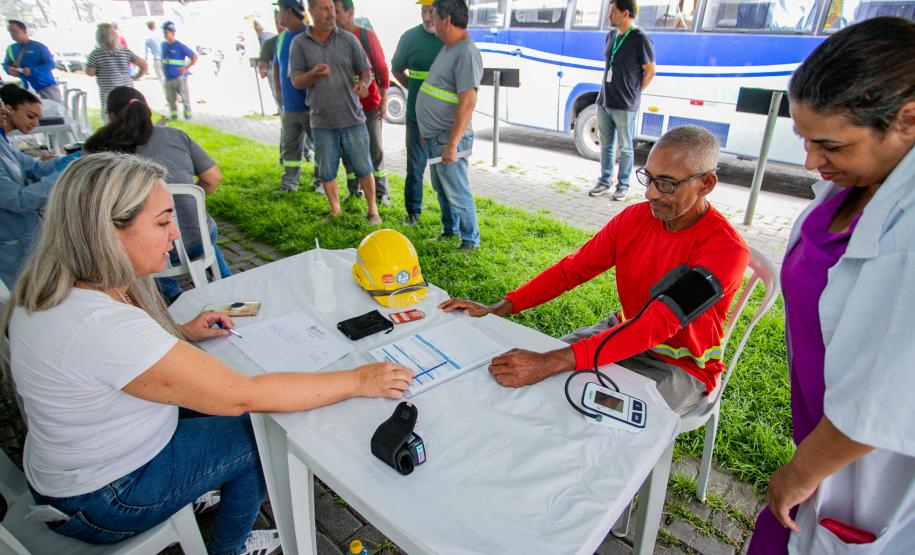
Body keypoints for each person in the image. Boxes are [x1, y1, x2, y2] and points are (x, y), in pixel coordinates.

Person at [0, 153, 411, 554]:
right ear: (108, 232)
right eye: (162, 222)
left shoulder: (50, 289)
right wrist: (360, 379)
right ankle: (231, 547)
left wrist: (179, 333)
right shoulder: (101, 325)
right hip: (107, 498)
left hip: (73, 473)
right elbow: (241, 395)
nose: (176, 233)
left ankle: (199, 486)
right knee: (266, 433)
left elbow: (108, 365)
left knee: (238, 411)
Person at [747, 17, 915, 553]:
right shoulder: (863, 185)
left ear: (907, 120)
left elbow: (889, 394)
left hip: (862, 474)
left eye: (830, 146)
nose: (812, 163)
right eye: (804, 140)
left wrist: (800, 472)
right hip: (820, 440)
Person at [441, 126, 749, 415]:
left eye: (666, 183)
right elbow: (572, 270)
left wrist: (551, 362)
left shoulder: (727, 252)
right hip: (620, 330)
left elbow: (657, 324)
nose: (650, 194)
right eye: (649, 178)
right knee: (535, 383)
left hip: (680, 366)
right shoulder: (634, 219)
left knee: (601, 420)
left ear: (706, 184)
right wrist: (500, 308)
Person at [83, 87, 231, 304]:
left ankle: (174, 296)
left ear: (110, 114)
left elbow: (92, 208)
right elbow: (213, 178)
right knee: (201, 228)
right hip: (197, 238)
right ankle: (225, 282)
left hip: (142, 251)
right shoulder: (175, 136)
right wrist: (185, 203)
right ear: (147, 109)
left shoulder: (95, 149)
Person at [288, 0, 382, 224]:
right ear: (311, 12)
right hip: (321, 121)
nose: (331, 13)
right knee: (327, 170)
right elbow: (296, 81)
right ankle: (335, 210)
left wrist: (364, 85)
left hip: (353, 117)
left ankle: (373, 210)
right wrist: (313, 74)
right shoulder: (299, 43)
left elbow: (366, 71)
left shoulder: (348, 39)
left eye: (332, 8)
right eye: (325, 8)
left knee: (363, 166)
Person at [415, 0, 483, 250]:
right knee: (442, 187)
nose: (431, 21)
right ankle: (450, 230)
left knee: (456, 189)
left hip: (449, 137)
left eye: (434, 16)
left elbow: (468, 102)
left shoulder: (466, 51)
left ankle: (469, 240)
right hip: (436, 135)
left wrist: (452, 143)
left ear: (446, 20)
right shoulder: (449, 48)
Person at [0, 84, 78, 290]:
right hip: (10, 247)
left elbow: (34, 168)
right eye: (30, 116)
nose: (35, 123)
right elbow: (17, 200)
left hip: (24, 237)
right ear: (8, 108)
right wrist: (62, 175)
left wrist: (71, 160)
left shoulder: (2, 144)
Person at [588, 0, 655, 201]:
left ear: (625, 13)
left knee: (625, 147)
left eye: (613, 12)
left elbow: (650, 71)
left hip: (625, 104)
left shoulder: (640, 38)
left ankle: (623, 184)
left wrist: (635, 92)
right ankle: (604, 181)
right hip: (605, 100)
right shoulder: (611, 35)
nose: (609, 16)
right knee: (606, 145)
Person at [391, 0, 444, 227]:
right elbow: (396, 68)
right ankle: (413, 212)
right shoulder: (409, 38)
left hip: (443, 118)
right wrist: (413, 89)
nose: (427, 16)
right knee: (415, 167)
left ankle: (450, 222)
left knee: (444, 170)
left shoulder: (449, 39)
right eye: (423, 10)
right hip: (415, 116)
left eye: (431, 11)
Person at [335, 0, 391, 208]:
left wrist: (384, 99)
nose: (334, 17)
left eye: (338, 12)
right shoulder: (334, 38)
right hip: (344, 107)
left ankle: (381, 193)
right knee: (346, 151)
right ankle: (353, 190)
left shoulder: (366, 36)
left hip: (369, 105)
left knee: (374, 149)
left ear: (350, 13)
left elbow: (382, 68)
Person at [274, 0, 319, 193]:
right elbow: (277, 66)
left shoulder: (311, 34)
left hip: (311, 105)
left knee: (320, 147)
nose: (278, 15)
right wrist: (278, 91)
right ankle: (289, 184)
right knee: (290, 147)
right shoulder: (282, 38)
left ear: (289, 11)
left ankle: (321, 184)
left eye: (280, 10)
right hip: (289, 106)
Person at [86, 23, 147, 117]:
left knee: (111, 118)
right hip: (127, 91)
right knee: (130, 116)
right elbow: (143, 65)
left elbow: (90, 73)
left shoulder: (95, 54)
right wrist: (136, 76)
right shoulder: (125, 51)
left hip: (109, 92)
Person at [2, 20, 61, 103]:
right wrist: (8, 69)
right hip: (26, 89)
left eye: (14, 31)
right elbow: (6, 64)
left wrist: (32, 70)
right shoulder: (11, 48)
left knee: (54, 112)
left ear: (24, 31)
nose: (12, 34)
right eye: (10, 31)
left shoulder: (39, 47)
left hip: (46, 87)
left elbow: (51, 64)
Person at [160, 21, 197, 121]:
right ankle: (174, 115)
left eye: (166, 32)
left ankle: (188, 114)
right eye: (163, 32)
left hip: (179, 77)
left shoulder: (179, 46)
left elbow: (194, 56)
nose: (164, 34)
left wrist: (186, 68)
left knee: (184, 96)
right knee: (170, 99)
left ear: (173, 33)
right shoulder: (163, 45)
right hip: (168, 78)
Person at [257, 12, 284, 114]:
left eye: (281, 22)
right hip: (281, 93)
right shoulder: (270, 43)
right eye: (277, 22)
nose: (279, 25)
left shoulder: (300, 39)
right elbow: (263, 65)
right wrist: (263, 69)